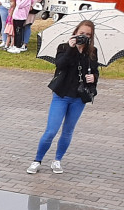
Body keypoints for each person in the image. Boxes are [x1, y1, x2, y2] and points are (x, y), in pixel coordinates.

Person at [26, 20, 98, 175]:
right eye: (81, 33)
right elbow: (60, 64)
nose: (83, 37)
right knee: (51, 130)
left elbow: (95, 71)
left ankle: (57, 160)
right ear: (75, 32)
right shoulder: (64, 47)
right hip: (61, 95)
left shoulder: (92, 52)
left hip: (79, 97)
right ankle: (37, 160)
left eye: (87, 35)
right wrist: (73, 48)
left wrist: (94, 77)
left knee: (68, 131)